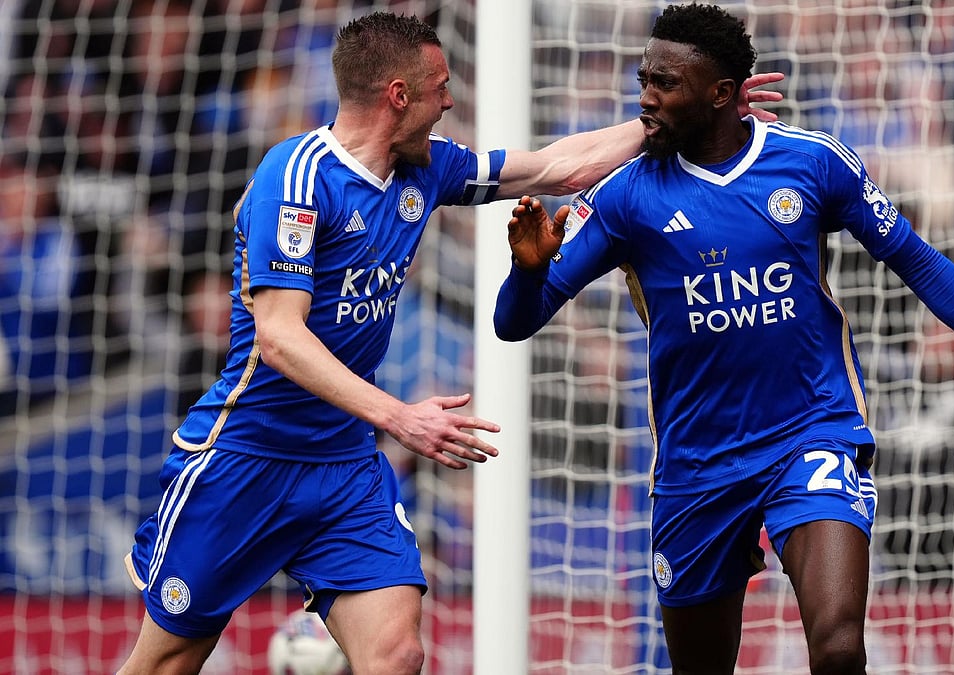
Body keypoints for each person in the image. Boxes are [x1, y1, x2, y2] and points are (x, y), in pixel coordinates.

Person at [116, 10, 782, 675]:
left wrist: (678, 116)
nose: (450, 101)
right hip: (246, 457)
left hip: (344, 468)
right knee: (166, 660)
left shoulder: (428, 169)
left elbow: (554, 167)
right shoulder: (295, 178)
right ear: (398, 96)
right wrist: (399, 416)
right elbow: (281, 336)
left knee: (397, 653)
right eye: (439, 87)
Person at [492, 4, 954, 674]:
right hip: (699, 463)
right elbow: (514, 321)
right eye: (644, 79)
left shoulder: (811, 164)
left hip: (812, 432)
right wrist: (528, 268)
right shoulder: (625, 198)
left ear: (721, 94)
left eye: (665, 84)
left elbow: (918, 261)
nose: (646, 99)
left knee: (838, 646)